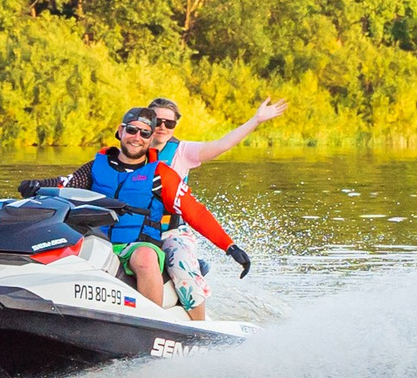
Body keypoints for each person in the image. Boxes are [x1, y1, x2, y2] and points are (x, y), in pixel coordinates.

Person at [54, 97, 286, 316]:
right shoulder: (109, 159)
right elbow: (70, 184)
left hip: (170, 231)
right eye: (156, 122)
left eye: (169, 123)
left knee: (178, 266)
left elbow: (197, 205)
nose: (162, 127)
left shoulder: (179, 155)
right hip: (113, 231)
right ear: (127, 128)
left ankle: (195, 328)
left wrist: (229, 246)